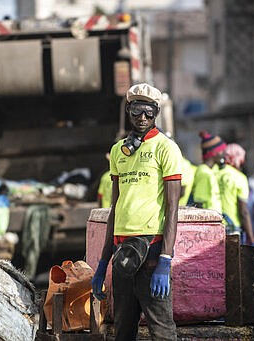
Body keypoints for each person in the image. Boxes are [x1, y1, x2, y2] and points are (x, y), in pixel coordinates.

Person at [91, 83, 182, 340]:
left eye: (149, 112)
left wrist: (165, 260)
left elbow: (172, 209)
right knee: (122, 333)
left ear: (156, 114)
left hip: (152, 253)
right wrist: (101, 264)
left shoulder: (166, 148)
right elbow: (115, 209)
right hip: (123, 254)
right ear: (128, 112)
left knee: (162, 333)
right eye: (136, 112)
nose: (142, 118)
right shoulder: (118, 151)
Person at [217, 143, 254, 245]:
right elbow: (244, 212)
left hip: (215, 225)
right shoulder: (240, 177)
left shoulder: (215, 173)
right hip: (232, 229)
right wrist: (252, 239)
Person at [191, 131, 226, 211]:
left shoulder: (209, 171)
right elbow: (199, 203)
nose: (224, 154)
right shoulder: (204, 173)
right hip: (209, 222)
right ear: (215, 153)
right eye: (222, 151)